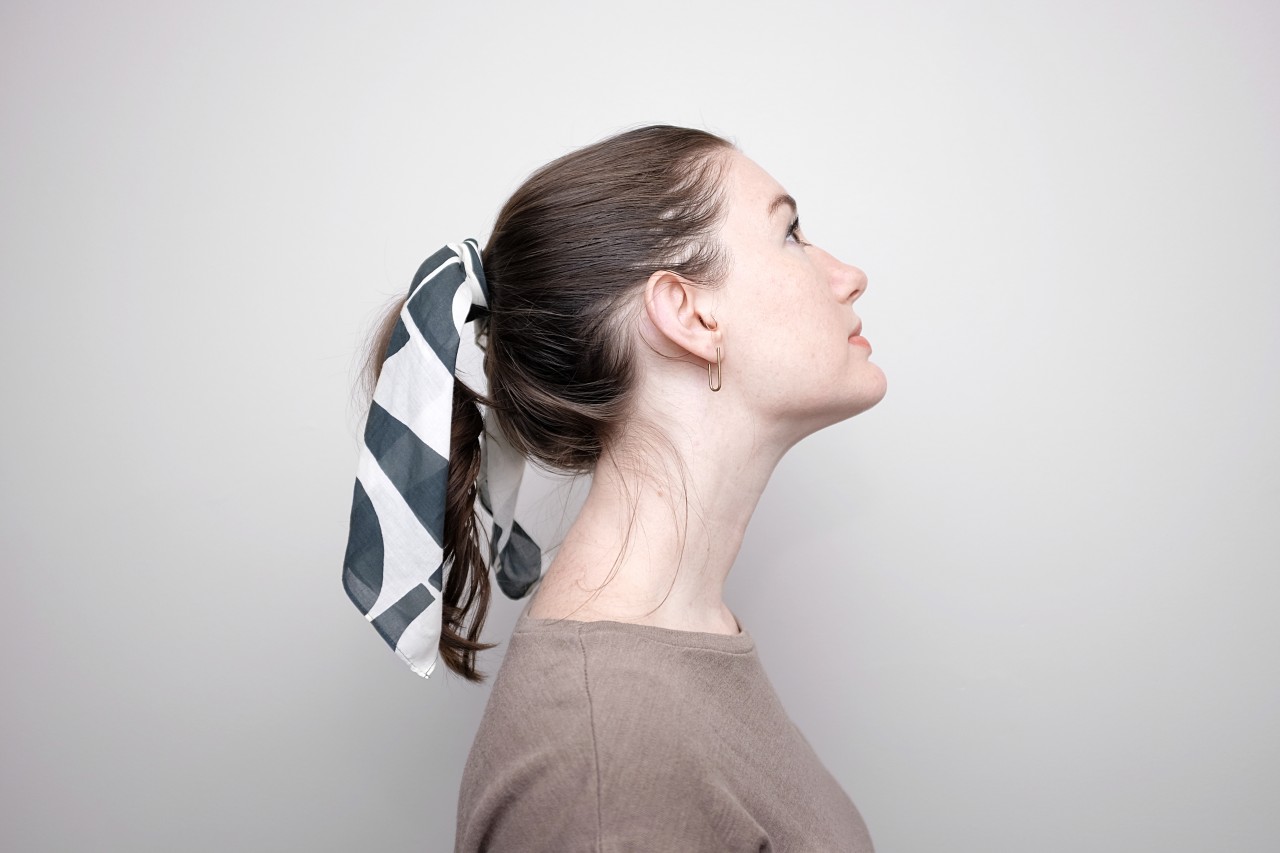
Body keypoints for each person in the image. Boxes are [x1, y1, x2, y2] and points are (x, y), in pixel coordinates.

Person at [346, 125, 884, 851]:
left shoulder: (680, 645)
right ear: (690, 315)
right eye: (790, 234)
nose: (848, 275)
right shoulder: (605, 762)